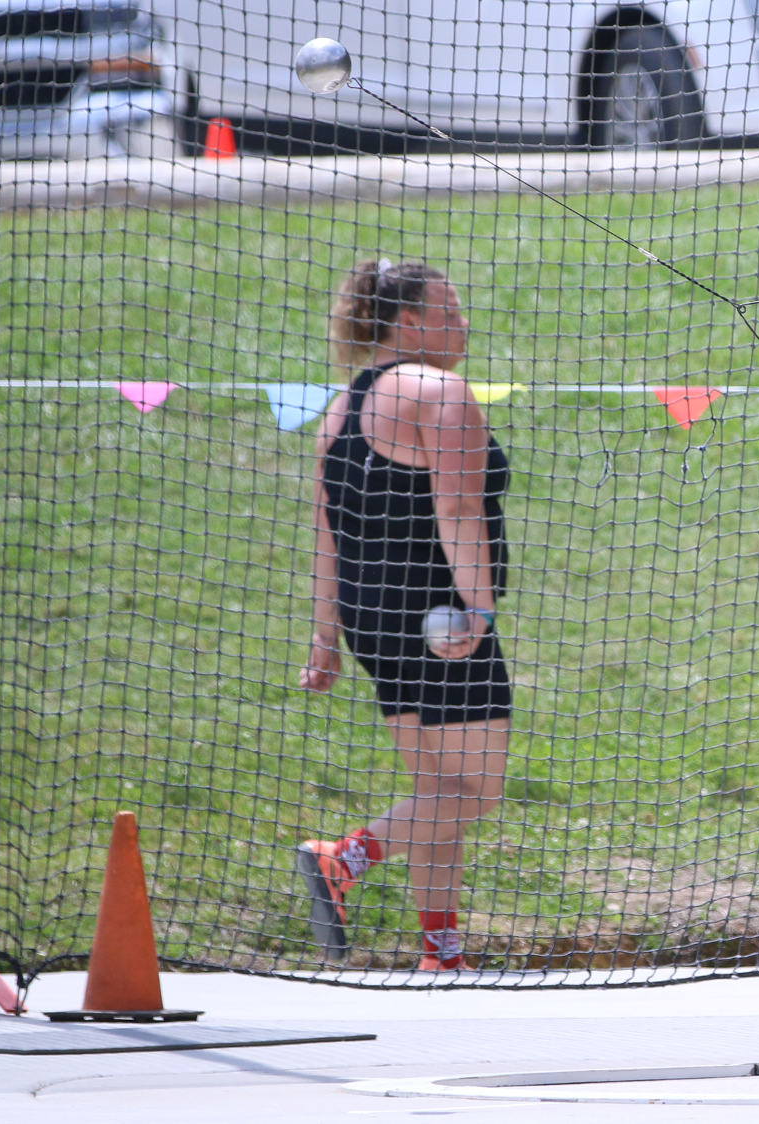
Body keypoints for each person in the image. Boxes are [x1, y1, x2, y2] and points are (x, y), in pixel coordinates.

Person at [295, 258, 514, 972]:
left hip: (369, 623)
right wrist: (477, 609)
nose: (465, 324)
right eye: (450, 312)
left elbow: (328, 530)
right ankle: (344, 859)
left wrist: (325, 637)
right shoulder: (440, 391)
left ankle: (439, 953)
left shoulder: (343, 404)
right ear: (410, 322)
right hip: (437, 619)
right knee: (474, 793)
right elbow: (456, 509)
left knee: (437, 793)